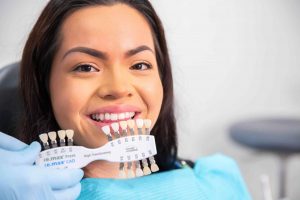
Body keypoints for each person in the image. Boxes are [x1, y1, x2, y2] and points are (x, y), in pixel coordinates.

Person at [0, 0, 252, 199]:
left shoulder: (215, 182)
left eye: (140, 64)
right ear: (45, 84)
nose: (119, 88)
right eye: (86, 67)